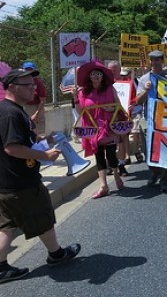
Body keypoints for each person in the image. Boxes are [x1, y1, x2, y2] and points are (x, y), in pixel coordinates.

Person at [0, 69, 80, 283]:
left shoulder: (14, 110)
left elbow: (21, 139)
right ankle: (57, 254)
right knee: (41, 216)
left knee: (8, 225)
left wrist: (47, 139)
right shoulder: (10, 113)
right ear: (12, 87)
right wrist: (43, 154)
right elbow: (12, 148)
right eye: (27, 85)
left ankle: (0, 268)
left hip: (8, 181)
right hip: (20, 181)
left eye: (33, 84)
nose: (34, 88)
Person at [74, 61, 124, 199]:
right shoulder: (83, 92)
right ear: (89, 77)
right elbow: (80, 112)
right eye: (93, 74)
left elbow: (118, 106)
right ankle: (103, 186)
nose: (96, 76)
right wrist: (75, 99)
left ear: (103, 76)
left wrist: (112, 108)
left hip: (108, 126)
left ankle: (116, 174)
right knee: (99, 155)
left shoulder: (109, 89)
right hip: (92, 128)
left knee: (111, 154)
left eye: (99, 74)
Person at [136, 50, 167, 192]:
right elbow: (138, 101)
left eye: (157, 60)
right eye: (152, 60)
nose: (154, 62)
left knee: (166, 152)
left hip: (166, 121)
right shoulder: (145, 78)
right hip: (147, 120)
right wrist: (146, 90)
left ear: (162, 61)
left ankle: (164, 180)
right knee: (147, 151)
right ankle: (155, 172)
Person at [107, 61, 131, 177]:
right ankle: (111, 165)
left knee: (120, 140)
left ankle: (121, 165)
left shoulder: (127, 82)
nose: (113, 71)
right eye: (110, 69)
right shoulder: (105, 84)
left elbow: (133, 98)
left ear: (119, 69)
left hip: (121, 116)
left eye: (115, 69)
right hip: (107, 117)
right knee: (108, 142)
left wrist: (131, 105)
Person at [22, 62, 47, 135]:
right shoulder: (21, 82)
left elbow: (42, 101)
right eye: (27, 69)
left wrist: (36, 114)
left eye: (30, 69)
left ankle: (40, 145)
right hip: (25, 107)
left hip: (36, 107)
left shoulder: (38, 83)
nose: (28, 72)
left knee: (38, 132)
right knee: (26, 131)